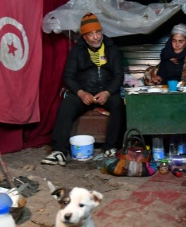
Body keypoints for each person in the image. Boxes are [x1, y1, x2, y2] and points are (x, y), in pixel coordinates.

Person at [42, 12, 125, 166]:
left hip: (105, 92)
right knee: (66, 105)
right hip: (84, 93)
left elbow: (119, 75)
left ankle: (111, 147)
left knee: (118, 104)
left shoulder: (111, 49)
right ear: (84, 36)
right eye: (90, 34)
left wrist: (107, 92)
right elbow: (68, 76)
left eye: (98, 32)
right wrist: (81, 93)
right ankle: (59, 151)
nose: (96, 37)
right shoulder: (77, 50)